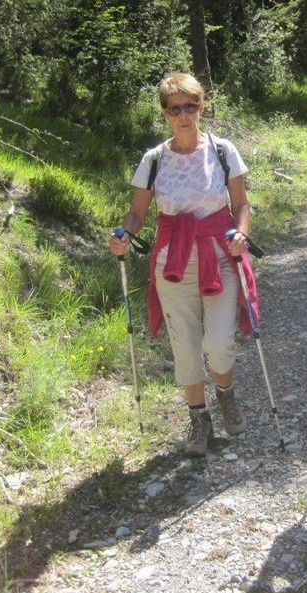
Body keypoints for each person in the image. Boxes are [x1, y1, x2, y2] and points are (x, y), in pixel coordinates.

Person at [108, 72, 257, 457]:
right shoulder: (154, 160)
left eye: (191, 105)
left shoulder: (223, 151)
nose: (185, 114)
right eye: (176, 108)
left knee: (220, 343)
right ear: (165, 113)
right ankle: (199, 419)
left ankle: (226, 393)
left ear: (202, 106)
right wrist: (122, 233)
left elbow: (240, 204)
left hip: (219, 254)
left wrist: (241, 233)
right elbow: (138, 213)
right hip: (172, 262)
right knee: (186, 347)